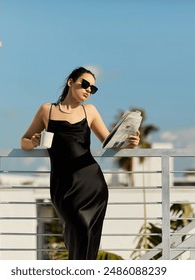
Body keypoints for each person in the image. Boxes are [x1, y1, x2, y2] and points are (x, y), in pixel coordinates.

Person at [21, 66, 140, 260]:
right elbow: (23, 141)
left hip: (91, 184)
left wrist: (129, 143)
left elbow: (108, 142)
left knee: (88, 235)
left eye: (92, 89)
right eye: (85, 84)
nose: (88, 90)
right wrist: (34, 141)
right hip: (63, 186)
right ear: (70, 82)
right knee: (77, 231)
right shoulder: (47, 110)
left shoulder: (90, 111)